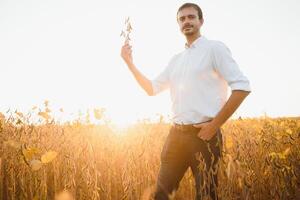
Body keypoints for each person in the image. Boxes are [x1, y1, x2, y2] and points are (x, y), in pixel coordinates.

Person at [120, 3, 251, 200]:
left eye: (191, 17)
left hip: (204, 137)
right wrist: (129, 63)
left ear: (201, 21)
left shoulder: (214, 48)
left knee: (206, 196)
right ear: (178, 24)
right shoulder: (176, 60)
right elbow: (151, 89)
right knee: (161, 196)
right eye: (182, 19)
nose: (186, 21)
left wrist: (214, 126)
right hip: (175, 136)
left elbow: (242, 87)